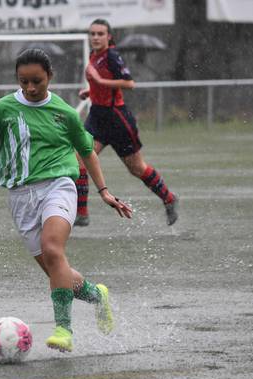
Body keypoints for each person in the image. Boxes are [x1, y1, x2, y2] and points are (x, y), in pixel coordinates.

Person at [0, 49, 132, 353]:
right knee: (55, 270)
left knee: (53, 248)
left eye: (37, 81)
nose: (31, 88)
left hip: (58, 186)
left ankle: (63, 329)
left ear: (50, 77)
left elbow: (87, 152)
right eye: (24, 82)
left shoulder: (65, 113)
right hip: (20, 195)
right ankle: (97, 296)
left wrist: (104, 191)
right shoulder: (2, 109)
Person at [75, 18, 178, 227]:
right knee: (78, 159)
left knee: (136, 168)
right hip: (97, 116)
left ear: (109, 36)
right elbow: (100, 83)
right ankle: (82, 213)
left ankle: (169, 199)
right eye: (92, 33)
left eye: (100, 34)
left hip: (117, 119)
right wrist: (91, 90)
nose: (95, 37)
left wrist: (100, 81)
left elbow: (129, 83)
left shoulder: (112, 55)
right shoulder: (93, 55)